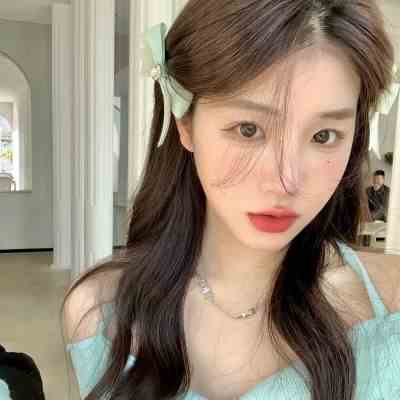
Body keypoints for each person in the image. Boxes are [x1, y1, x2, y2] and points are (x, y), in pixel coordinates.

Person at [62, 1, 400, 399]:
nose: (285, 181)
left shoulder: (390, 304)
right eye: (248, 129)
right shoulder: (98, 314)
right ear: (185, 123)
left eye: (323, 136)